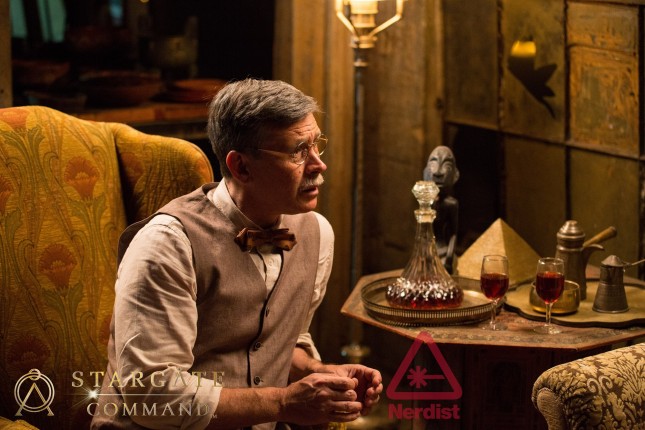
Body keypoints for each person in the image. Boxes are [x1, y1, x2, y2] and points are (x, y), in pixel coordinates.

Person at [91, 79, 382, 430]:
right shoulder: (166, 245)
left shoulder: (317, 233)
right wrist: (284, 403)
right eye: (298, 151)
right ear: (241, 167)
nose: (319, 165)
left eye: (316, 144)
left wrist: (318, 372)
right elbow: (150, 394)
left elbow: (277, 342)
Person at [423, 145, 459, 274]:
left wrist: (449, 255)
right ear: (426, 172)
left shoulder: (451, 204)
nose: (438, 172)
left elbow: (454, 234)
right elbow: (423, 232)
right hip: (427, 252)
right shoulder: (427, 202)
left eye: (447, 165)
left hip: (444, 252)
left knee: (444, 271)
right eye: (433, 163)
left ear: (455, 175)